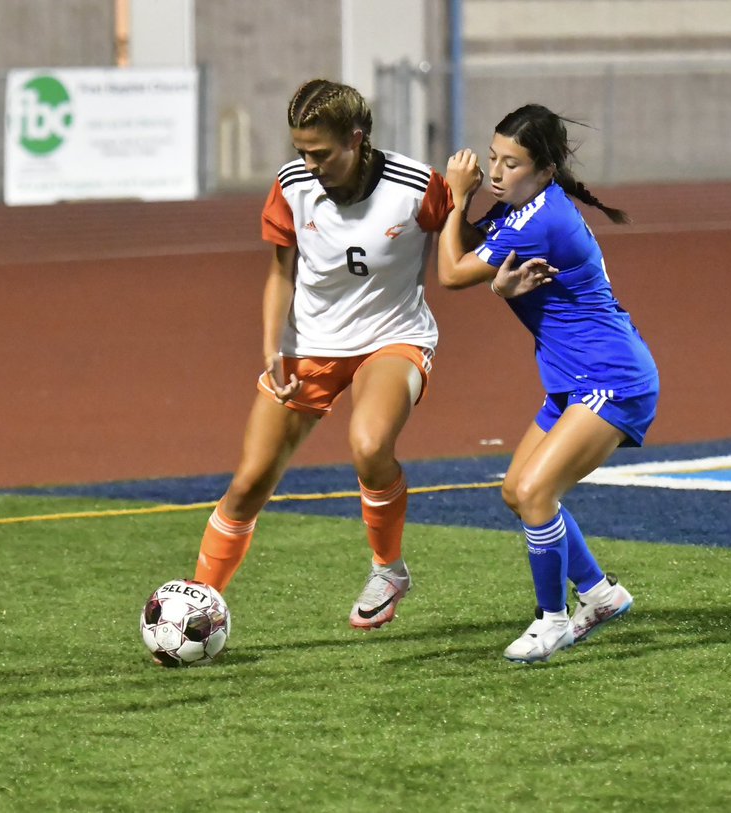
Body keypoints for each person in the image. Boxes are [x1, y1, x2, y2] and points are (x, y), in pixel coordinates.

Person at [192, 78, 454, 629]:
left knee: (368, 443)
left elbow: (462, 245)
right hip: (309, 345)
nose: (308, 164)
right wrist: (273, 350)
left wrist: (470, 200)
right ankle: (198, 603)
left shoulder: (417, 187)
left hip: (393, 336)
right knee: (249, 483)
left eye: (320, 152)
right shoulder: (291, 187)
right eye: (299, 152)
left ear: (356, 139)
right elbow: (280, 272)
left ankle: (388, 568)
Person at [437, 104, 659, 663]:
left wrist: (456, 197)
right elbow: (468, 250)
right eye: (492, 158)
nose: (495, 171)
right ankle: (601, 595)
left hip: (611, 378)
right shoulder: (523, 209)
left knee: (537, 494)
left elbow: (450, 272)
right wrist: (466, 218)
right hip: (573, 380)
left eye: (511, 164)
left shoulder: (541, 219)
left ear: (544, 171)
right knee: (517, 492)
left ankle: (552, 621)